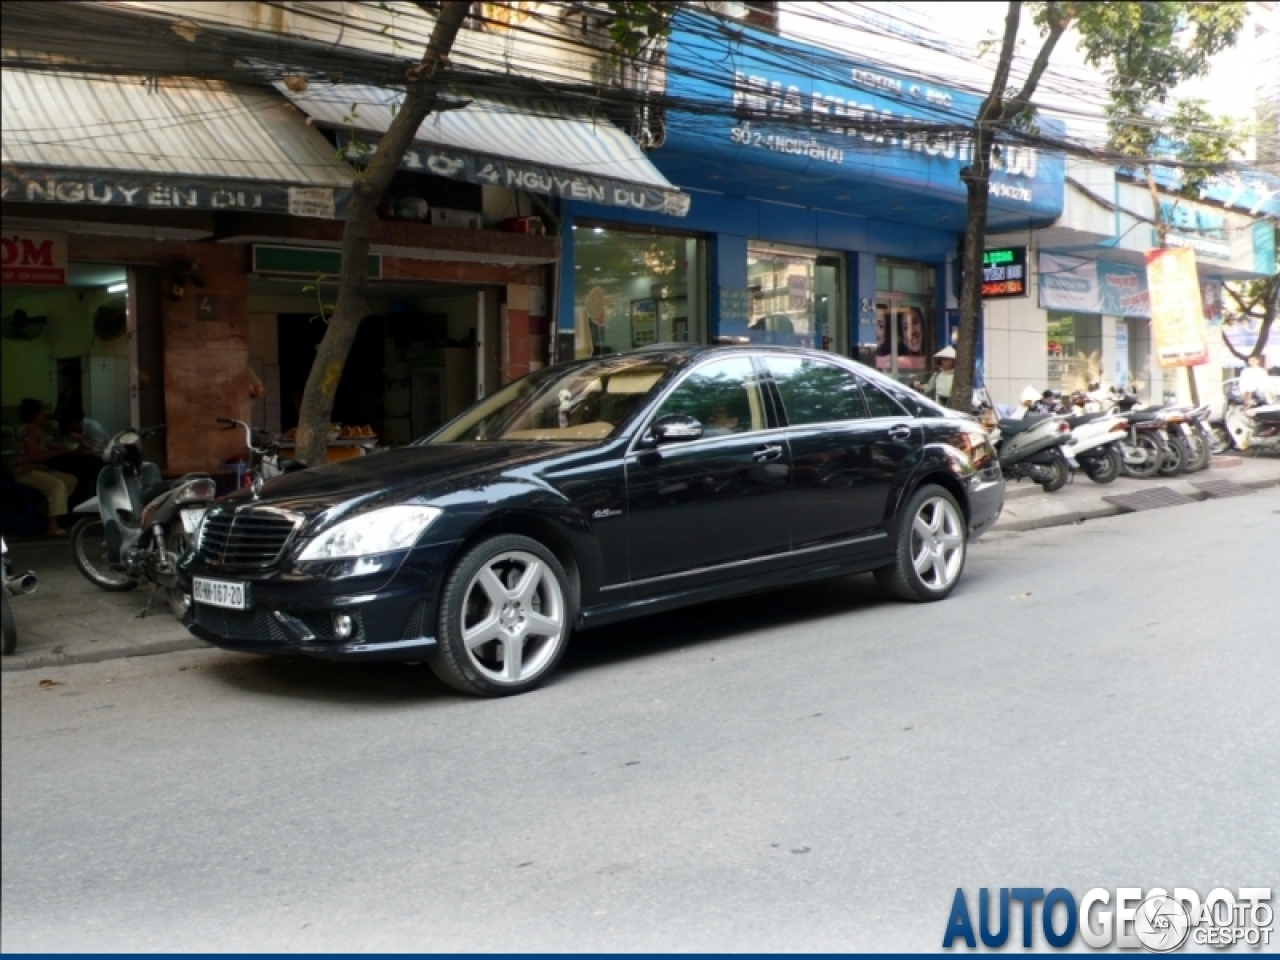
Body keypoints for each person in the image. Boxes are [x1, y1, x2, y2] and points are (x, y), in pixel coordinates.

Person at [13, 398, 76, 536]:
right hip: (26, 472)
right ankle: (53, 527)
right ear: (36, 415)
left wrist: (68, 446)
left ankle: (46, 509)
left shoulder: (38, 431)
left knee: (70, 480)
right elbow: (34, 457)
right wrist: (63, 451)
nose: (45, 414)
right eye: (42, 412)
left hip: (39, 471)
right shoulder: (28, 432)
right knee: (57, 485)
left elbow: (51, 444)